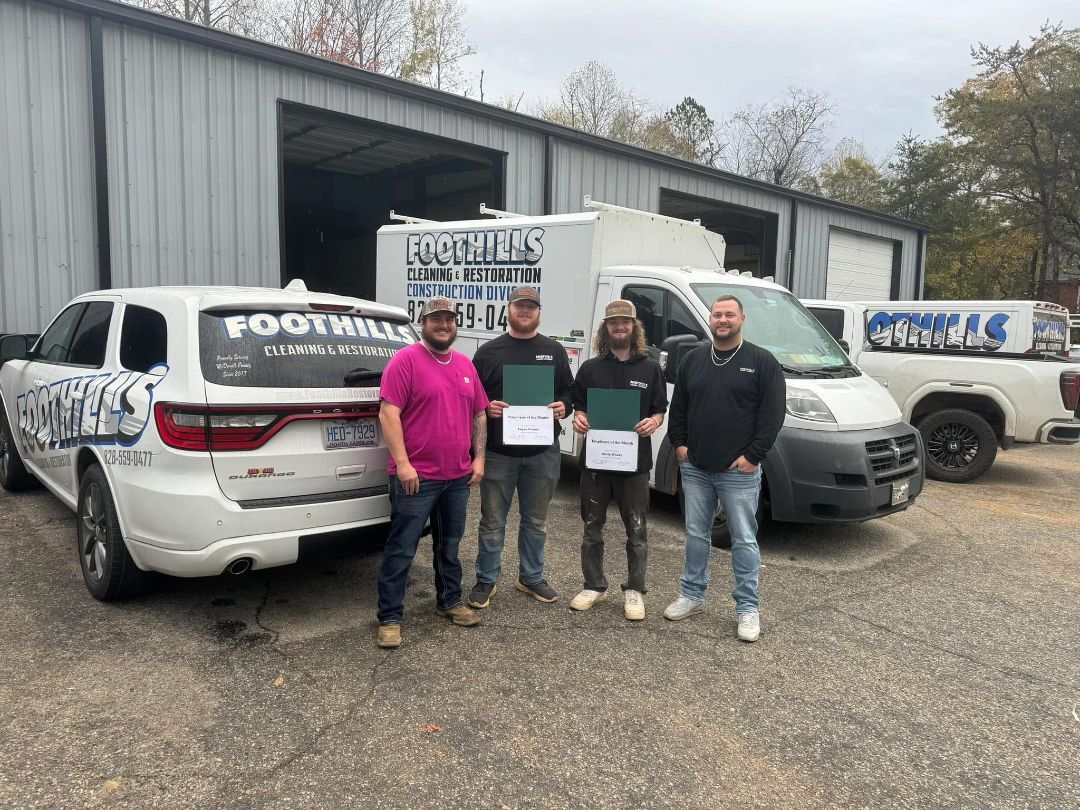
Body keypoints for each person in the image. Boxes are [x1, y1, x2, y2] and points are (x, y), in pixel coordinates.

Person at [663, 294, 785, 642]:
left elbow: (772, 416)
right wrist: (680, 445)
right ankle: (692, 594)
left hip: (739, 471)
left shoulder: (762, 362)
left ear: (742, 319)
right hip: (696, 466)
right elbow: (680, 406)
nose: (722, 320)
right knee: (696, 534)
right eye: (717, 314)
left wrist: (753, 457)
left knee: (744, 539)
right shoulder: (693, 359)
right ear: (711, 319)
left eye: (729, 314)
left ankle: (748, 608)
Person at [375, 297, 489, 649]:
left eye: (449, 319)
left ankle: (449, 601)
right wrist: (404, 464)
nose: (444, 325)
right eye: (436, 319)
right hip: (416, 477)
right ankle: (390, 617)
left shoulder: (466, 366)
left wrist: (479, 459)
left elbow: (479, 415)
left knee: (449, 545)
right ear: (422, 323)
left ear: (456, 325)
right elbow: (387, 414)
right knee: (402, 547)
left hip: (457, 477)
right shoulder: (405, 361)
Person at [467, 286, 575, 609]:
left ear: (539, 312)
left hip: (542, 453)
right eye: (519, 305)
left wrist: (563, 407)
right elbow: (472, 400)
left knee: (536, 521)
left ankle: (530, 577)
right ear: (509, 309)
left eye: (531, 306)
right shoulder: (488, 352)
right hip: (500, 453)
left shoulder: (554, 351)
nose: (525, 311)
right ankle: (487, 578)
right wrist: (488, 408)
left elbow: (570, 392)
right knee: (491, 520)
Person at [569, 300, 667, 621]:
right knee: (591, 526)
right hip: (596, 464)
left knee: (636, 529)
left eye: (625, 322)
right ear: (606, 329)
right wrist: (579, 418)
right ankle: (594, 585)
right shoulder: (591, 368)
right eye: (614, 323)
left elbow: (659, 408)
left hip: (634, 464)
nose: (619, 327)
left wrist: (654, 421)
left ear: (634, 327)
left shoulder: (650, 368)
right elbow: (578, 405)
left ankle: (635, 589)